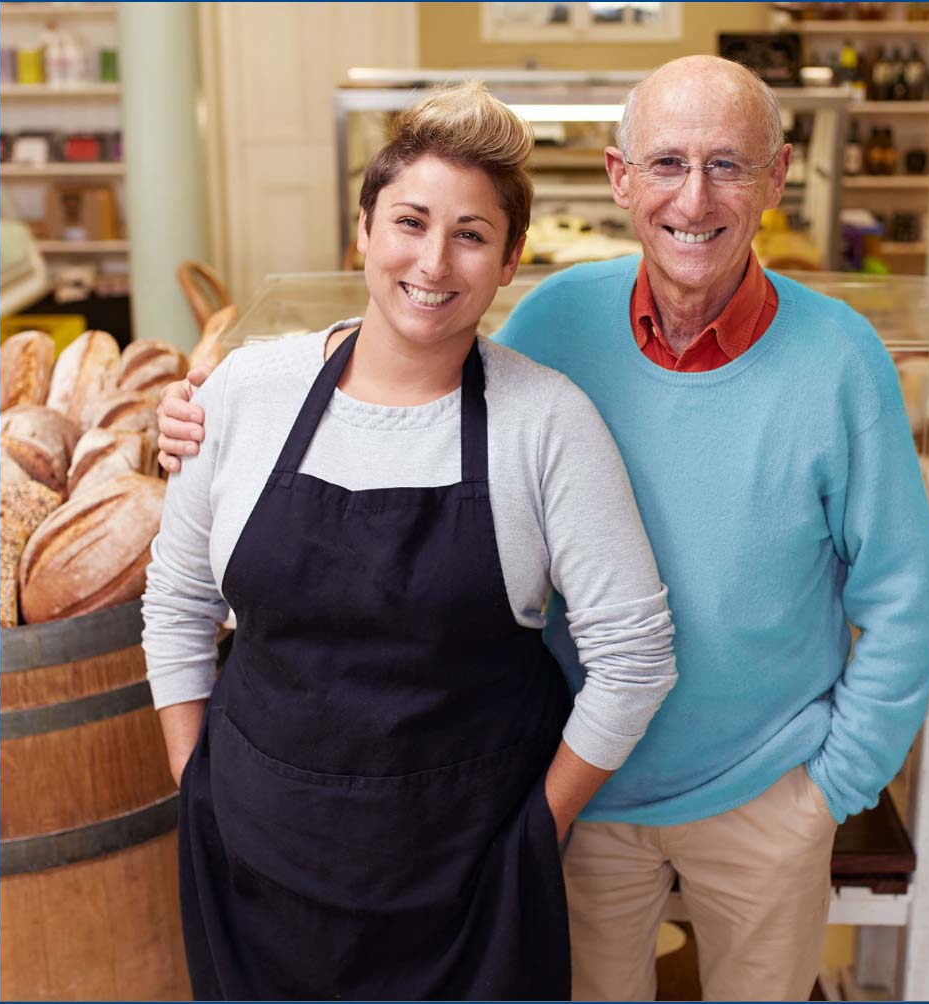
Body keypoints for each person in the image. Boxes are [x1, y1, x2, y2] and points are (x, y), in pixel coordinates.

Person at [158, 57, 929, 1002]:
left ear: (777, 179)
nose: (694, 197)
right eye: (665, 163)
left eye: (729, 166)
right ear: (621, 179)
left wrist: (833, 786)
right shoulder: (556, 320)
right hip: (580, 804)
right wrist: (209, 413)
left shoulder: (833, 360)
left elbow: (907, 590)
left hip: (751, 793)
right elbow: (414, 353)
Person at [142, 82, 678, 1003]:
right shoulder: (242, 392)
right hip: (253, 867)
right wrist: (198, 785)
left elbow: (635, 658)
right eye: (410, 221)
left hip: (466, 889)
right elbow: (178, 602)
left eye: (471, 234)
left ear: (510, 261)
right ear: (363, 229)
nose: (434, 261)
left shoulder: (546, 422)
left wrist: (531, 837)